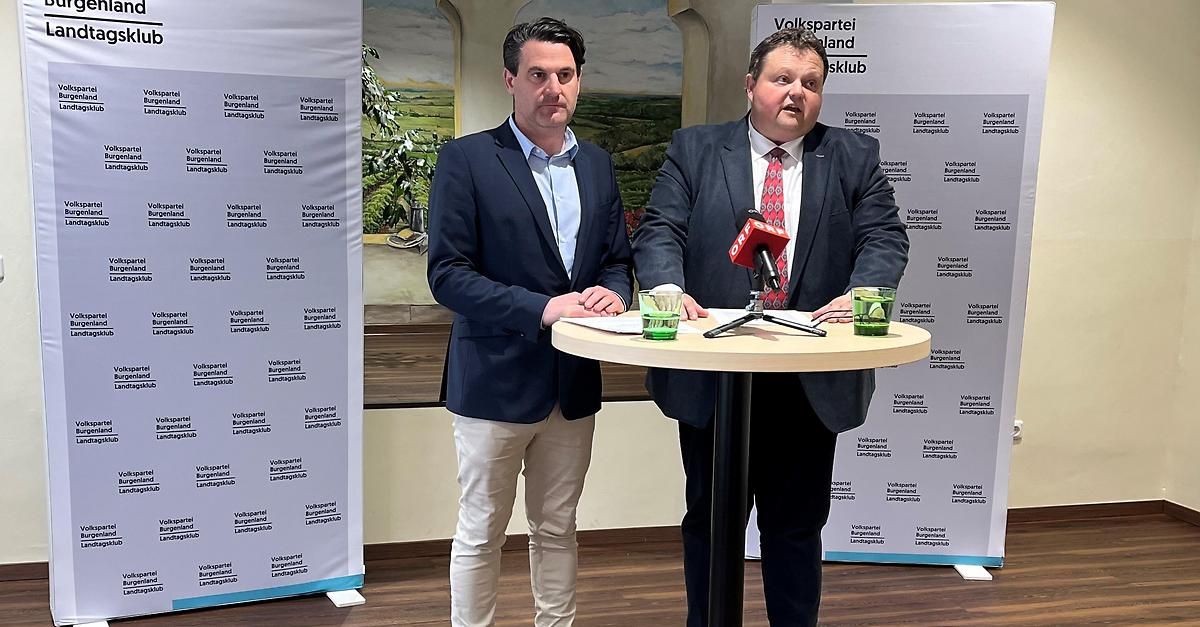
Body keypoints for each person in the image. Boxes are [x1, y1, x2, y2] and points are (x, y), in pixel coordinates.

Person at [631, 27, 909, 627]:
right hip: (719, 376)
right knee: (709, 521)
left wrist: (866, 293)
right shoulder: (697, 149)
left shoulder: (853, 155)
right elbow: (660, 230)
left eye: (810, 84)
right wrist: (667, 288)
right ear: (751, 84)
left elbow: (885, 236)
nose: (796, 94)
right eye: (783, 79)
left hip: (807, 381)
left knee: (797, 526)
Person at [426, 16, 633, 627]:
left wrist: (613, 295)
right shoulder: (466, 160)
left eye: (565, 75)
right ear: (510, 80)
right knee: (481, 529)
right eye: (538, 75)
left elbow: (618, 261)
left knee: (557, 527)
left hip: (571, 386)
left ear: (579, 81)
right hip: (493, 381)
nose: (553, 88)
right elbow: (448, 274)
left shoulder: (596, 165)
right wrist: (543, 309)